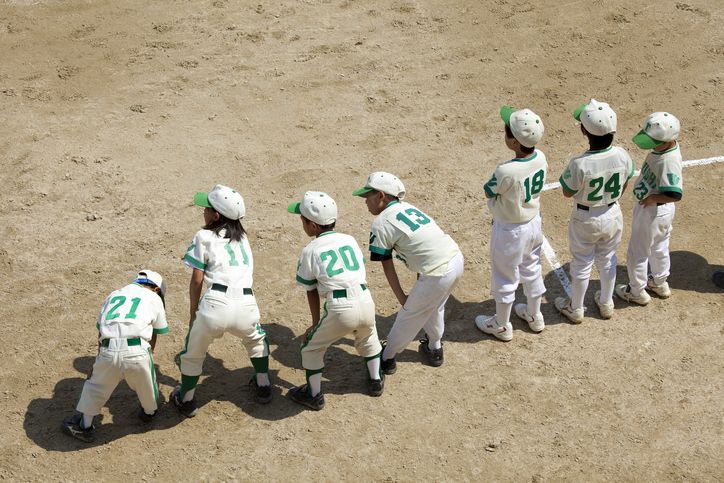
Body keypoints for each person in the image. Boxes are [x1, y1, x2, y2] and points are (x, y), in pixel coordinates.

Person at [173, 185, 271, 418]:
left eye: (207, 208)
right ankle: (264, 385)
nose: (203, 211)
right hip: (247, 303)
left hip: (216, 304)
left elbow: (197, 279)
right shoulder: (244, 239)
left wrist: (193, 312)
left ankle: (185, 398)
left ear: (216, 216)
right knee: (257, 341)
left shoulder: (203, 235)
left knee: (193, 350)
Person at [353, 172, 464, 373]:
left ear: (381, 195)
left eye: (367, 196)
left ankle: (386, 358)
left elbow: (386, 264)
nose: (365, 201)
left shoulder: (381, 223)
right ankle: (434, 348)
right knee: (434, 305)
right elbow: (426, 243)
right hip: (455, 258)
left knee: (408, 316)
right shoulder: (409, 207)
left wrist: (403, 299)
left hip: (437, 271)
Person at [286, 191, 383, 410]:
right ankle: (376, 381)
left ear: (312, 226)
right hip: (366, 299)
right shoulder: (349, 239)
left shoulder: (310, 250)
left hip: (340, 308)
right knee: (368, 337)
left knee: (310, 348)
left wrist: (314, 323)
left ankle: (314, 394)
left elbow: (310, 289)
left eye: (302, 219)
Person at [62, 270, 169, 442]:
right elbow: (157, 330)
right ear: (156, 289)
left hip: (107, 348)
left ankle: (84, 426)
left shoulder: (113, 295)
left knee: (95, 386)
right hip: (137, 349)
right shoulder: (154, 298)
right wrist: (150, 354)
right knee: (147, 383)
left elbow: (100, 330)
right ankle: (149, 413)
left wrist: (97, 360)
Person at [554, 99, 634, 323]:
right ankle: (607, 303)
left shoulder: (579, 163)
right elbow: (626, 182)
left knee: (581, 262)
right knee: (608, 258)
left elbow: (567, 192)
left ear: (584, 130)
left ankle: (576, 308)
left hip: (585, 218)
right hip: (613, 213)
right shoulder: (622, 155)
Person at [474, 106, 548, 340]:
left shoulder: (506, 170)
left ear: (514, 142)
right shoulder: (542, 157)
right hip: (534, 224)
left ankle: (501, 325)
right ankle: (535, 315)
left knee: (504, 276)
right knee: (532, 268)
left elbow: (489, 191)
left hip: (510, 230)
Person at [615, 112, 683, 305]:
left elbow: (675, 194)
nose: (651, 144)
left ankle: (636, 291)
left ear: (668, 140)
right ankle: (659, 282)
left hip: (652, 212)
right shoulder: (666, 149)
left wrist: (653, 197)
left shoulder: (668, 161)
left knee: (638, 252)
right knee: (659, 247)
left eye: (655, 141)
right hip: (661, 212)